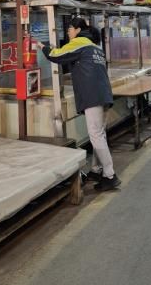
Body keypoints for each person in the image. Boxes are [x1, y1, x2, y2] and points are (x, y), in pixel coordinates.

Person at [37, 17, 121, 192]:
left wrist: (41, 46)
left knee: (96, 136)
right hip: (103, 94)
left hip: (92, 95)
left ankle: (110, 175)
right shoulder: (95, 47)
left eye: (69, 28)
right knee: (99, 135)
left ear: (77, 30)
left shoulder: (79, 42)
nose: (68, 32)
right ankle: (96, 170)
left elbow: (56, 55)